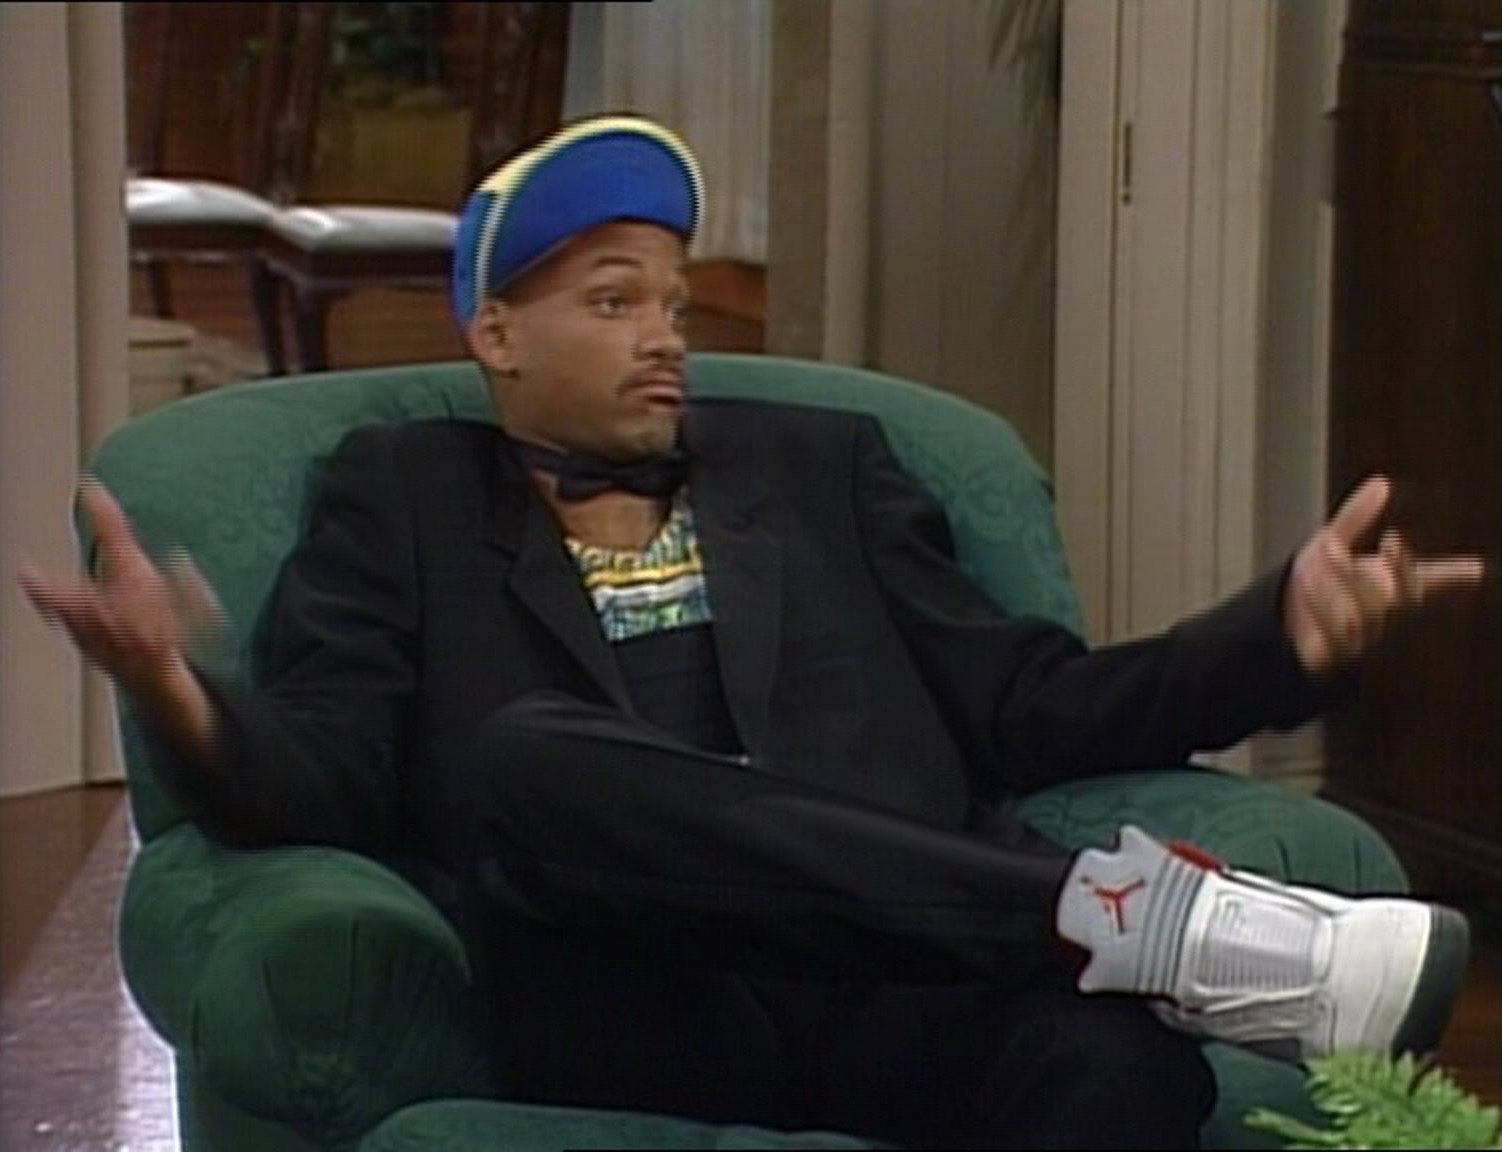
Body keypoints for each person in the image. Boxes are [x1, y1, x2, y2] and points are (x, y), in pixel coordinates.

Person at [22, 114, 1488, 1148]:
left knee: (1117, 1065)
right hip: (642, 1005)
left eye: (671, 299)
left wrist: (1278, 635)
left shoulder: (822, 470)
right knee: (527, 763)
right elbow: (324, 771)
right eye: (613, 299)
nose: (666, 332)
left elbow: (1034, 708)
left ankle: (1135, 937)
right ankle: (1139, 922)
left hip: (905, 981)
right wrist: (166, 677)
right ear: (495, 335)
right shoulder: (399, 498)